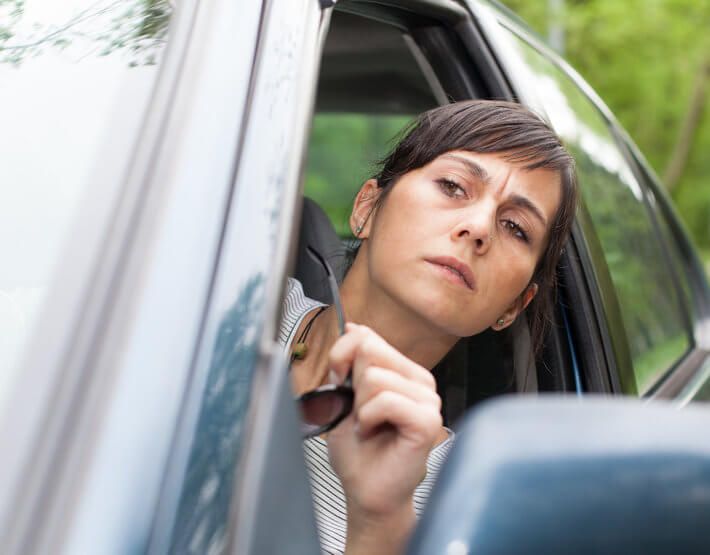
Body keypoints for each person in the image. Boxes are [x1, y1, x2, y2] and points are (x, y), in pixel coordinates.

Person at [279, 100, 578, 554]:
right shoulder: (231, 303)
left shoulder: (473, 505)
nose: (478, 227)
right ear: (366, 208)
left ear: (515, 306)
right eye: (454, 186)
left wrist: (381, 518)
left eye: (516, 227)